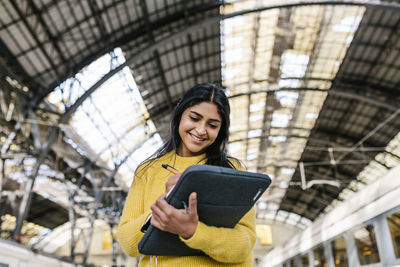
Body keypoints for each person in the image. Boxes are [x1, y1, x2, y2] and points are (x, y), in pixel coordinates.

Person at [117, 83, 256, 266]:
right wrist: (163, 208)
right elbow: (128, 244)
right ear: (180, 115)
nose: (201, 130)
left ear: (220, 130)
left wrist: (193, 231)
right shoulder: (148, 171)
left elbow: (244, 245)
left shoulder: (233, 170)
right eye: (194, 118)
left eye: (212, 125)